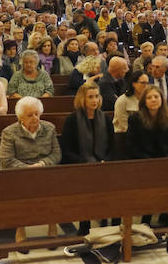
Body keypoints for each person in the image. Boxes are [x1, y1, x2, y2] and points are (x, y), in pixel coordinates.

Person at [0, 97, 61, 243]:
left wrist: (43, 164)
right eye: (30, 115)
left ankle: (52, 223)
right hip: (18, 172)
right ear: (20, 118)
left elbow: (56, 154)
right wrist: (27, 169)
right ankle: (20, 227)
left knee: (55, 184)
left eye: (37, 114)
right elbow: (6, 160)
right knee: (20, 189)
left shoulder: (49, 128)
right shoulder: (9, 132)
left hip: (43, 170)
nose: (35, 118)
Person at [60, 81, 114, 234]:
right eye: (90, 97)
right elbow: (67, 149)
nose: (94, 100)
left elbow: (112, 146)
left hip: (103, 165)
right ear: (82, 99)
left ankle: (105, 221)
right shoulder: (72, 121)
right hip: (80, 166)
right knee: (85, 185)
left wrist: (106, 161)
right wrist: (84, 163)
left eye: (97, 96)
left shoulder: (106, 119)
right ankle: (85, 225)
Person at [127, 86, 168, 227]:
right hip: (143, 162)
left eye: (156, 96)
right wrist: (148, 161)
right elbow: (132, 146)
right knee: (150, 181)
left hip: (164, 162)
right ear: (144, 101)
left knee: (167, 178)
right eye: (149, 97)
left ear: (162, 99)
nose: (153, 100)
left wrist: (167, 160)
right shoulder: (135, 119)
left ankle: (164, 214)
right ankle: (146, 217)